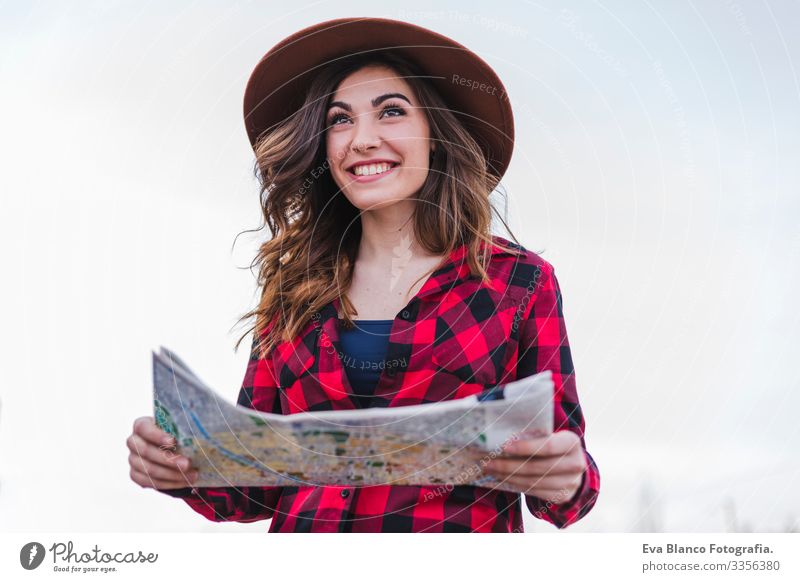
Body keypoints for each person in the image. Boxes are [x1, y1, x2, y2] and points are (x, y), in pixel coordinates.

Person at [126, 17, 600, 532]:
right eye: (339, 120)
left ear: (435, 137)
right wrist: (181, 466)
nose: (362, 140)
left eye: (391, 112)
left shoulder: (520, 283)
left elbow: (567, 482)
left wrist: (566, 476)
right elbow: (252, 488)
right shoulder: (292, 289)